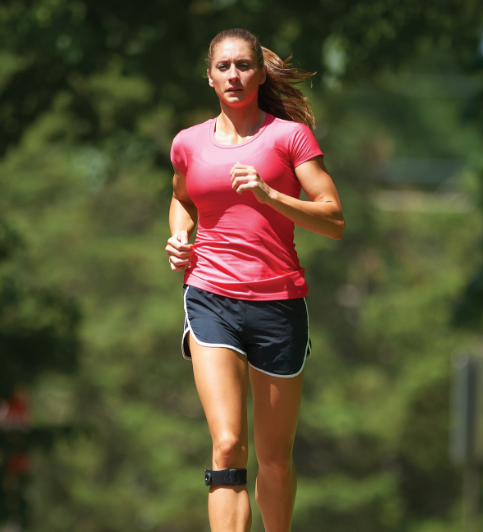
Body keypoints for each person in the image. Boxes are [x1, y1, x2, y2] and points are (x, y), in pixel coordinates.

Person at [165, 28, 344, 532]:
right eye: (223, 67)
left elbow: (333, 219)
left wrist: (270, 195)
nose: (234, 76)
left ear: (260, 74)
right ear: (209, 77)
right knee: (226, 444)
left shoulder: (289, 138)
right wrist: (181, 236)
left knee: (274, 459)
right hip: (209, 296)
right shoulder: (188, 143)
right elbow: (181, 198)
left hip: (278, 303)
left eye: (243, 65)